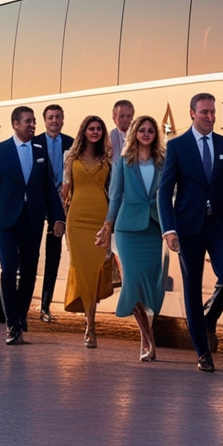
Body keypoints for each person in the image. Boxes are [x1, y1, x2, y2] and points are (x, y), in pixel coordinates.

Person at [158, 92, 223, 372]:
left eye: (212, 113)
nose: (210, 117)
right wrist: (169, 229)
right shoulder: (177, 147)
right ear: (192, 114)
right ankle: (202, 353)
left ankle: (209, 320)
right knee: (192, 289)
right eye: (204, 113)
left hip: (219, 224)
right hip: (188, 227)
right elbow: (164, 191)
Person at [0, 106, 65, 345]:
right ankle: (10, 324)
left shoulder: (40, 150)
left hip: (32, 221)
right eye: (28, 121)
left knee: (28, 273)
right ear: (15, 124)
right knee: (9, 270)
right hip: (5, 222)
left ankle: (19, 318)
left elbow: (49, 188)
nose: (32, 125)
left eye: (34, 121)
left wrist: (58, 218)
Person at [96, 116, 165, 361]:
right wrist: (107, 226)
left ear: (155, 135)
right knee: (131, 283)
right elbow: (115, 196)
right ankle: (148, 339)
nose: (146, 134)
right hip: (127, 229)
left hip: (154, 229)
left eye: (150, 131)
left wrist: (170, 228)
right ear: (135, 133)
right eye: (142, 130)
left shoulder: (163, 162)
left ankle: (146, 339)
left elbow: (167, 196)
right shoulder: (124, 162)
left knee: (150, 286)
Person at [61, 115, 113, 348]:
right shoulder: (69, 157)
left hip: (100, 217)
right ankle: (89, 325)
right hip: (77, 219)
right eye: (91, 129)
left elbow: (113, 191)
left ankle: (91, 320)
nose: (95, 132)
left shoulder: (108, 158)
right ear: (84, 131)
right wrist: (61, 221)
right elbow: (65, 193)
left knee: (95, 270)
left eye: (98, 129)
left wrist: (111, 223)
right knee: (81, 269)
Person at [32, 104, 72, 323]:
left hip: (61, 205)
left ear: (63, 120)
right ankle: (26, 302)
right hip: (39, 204)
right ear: (44, 121)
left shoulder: (71, 143)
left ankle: (45, 306)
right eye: (50, 117)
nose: (54, 121)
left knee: (54, 255)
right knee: (31, 255)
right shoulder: (35, 143)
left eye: (58, 117)